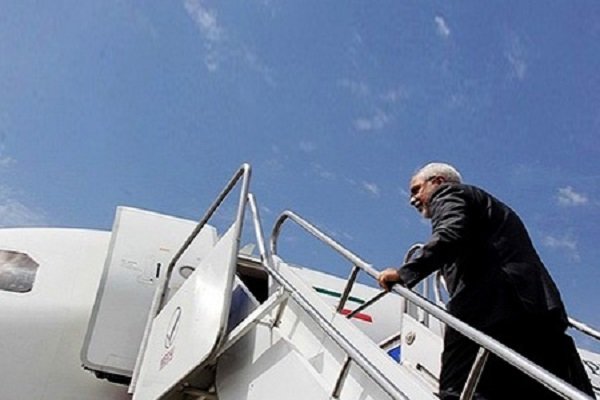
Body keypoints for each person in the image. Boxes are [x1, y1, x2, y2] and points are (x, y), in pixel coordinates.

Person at [378, 162, 594, 400]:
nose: (413, 200)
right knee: (549, 389)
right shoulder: (491, 210)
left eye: (416, 190)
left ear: (437, 182)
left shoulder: (449, 193)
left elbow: (451, 233)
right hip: (534, 309)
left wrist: (405, 273)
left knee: (459, 388)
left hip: (489, 306)